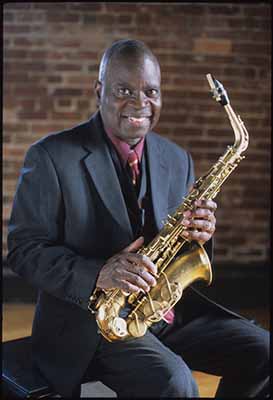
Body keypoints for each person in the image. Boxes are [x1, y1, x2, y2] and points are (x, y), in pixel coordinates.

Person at [7, 39, 269, 398]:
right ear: (99, 91)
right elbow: (24, 250)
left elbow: (182, 248)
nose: (140, 103)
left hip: (165, 311)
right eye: (124, 90)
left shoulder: (178, 159)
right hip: (93, 324)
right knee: (175, 383)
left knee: (265, 352)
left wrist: (201, 235)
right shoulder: (51, 156)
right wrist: (99, 273)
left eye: (151, 91)